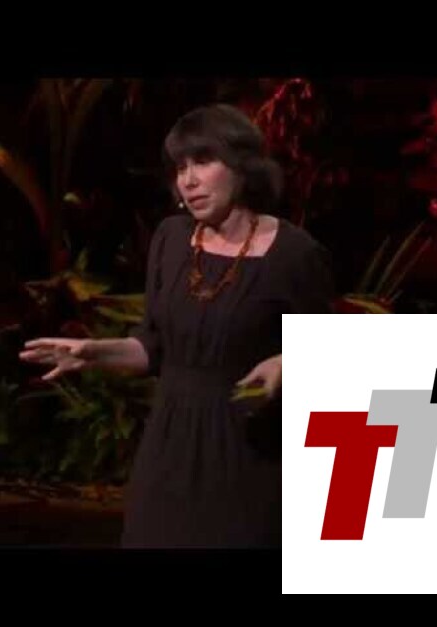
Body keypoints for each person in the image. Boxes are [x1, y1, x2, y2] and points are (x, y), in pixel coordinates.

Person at [19, 103, 335, 548]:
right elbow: (153, 346)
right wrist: (93, 352)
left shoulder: (294, 254)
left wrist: (287, 361)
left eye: (202, 161)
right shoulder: (170, 239)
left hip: (247, 455)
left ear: (242, 164)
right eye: (180, 167)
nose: (188, 180)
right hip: (168, 450)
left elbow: (332, 357)